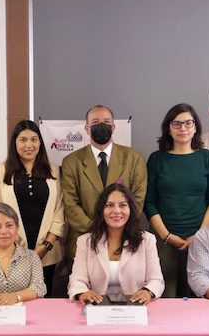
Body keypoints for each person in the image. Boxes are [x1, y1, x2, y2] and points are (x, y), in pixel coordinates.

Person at [145, 103, 209, 298]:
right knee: (165, 296)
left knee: (197, 296)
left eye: (188, 123)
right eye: (176, 124)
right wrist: (166, 236)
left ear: (195, 127)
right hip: (164, 239)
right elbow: (149, 202)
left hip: (200, 238)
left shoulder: (208, 158)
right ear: (168, 128)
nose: (183, 128)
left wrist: (199, 235)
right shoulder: (156, 159)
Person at [61, 105, 147, 267]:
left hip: (125, 239)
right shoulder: (71, 162)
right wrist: (98, 231)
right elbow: (70, 204)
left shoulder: (134, 158)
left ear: (113, 127)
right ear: (87, 128)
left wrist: (114, 231)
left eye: (106, 122)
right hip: (84, 239)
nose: (101, 125)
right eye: (95, 122)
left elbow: (137, 200)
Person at [0, 120, 65, 296]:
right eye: (23, 140)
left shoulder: (54, 171)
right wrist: (16, 246)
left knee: (43, 301)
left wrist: (46, 245)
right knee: (13, 300)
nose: (29, 145)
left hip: (47, 252)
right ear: (14, 143)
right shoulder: (1, 171)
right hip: (10, 251)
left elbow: (60, 210)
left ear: (40, 143)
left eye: (34, 139)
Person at [69, 184, 164, 304]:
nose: (116, 211)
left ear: (131, 210)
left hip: (134, 308)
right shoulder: (85, 241)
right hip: (97, 308)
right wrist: (83, 292)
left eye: (123, 205)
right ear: (101, 210)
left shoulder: (147, 240)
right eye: (109, 205)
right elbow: (77, 280)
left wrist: (147, 292)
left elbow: (156, 280)